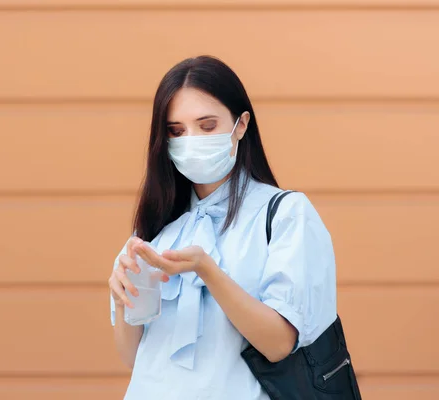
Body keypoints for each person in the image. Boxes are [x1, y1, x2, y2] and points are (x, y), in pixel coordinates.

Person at [108, 55, 337, 400]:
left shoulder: (285, 215)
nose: (191, 140)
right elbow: (133, 358)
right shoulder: (154, 230)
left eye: (207, 125)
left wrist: (208, 271)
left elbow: (279, 343)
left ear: (241, 125)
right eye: (177, 131)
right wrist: (124, 298)